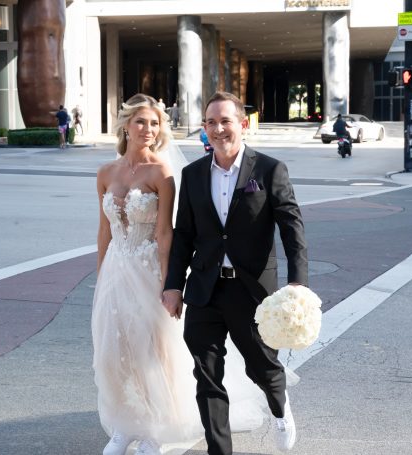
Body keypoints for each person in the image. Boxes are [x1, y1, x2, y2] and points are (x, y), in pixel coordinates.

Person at [93, 94, 281, 455]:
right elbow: (104, 231)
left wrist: (170, 284)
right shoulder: (105, 173)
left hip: (149, 268)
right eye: (141, 122)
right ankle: (122, 425)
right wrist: (101, 276)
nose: (149, 130)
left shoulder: (162, 174)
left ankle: (152, 430)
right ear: (126, 126)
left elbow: (167, 233)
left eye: (155, 123)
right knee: (114, 349)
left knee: (151, 350)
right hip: (116, 269)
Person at [162, 91, 309, 455]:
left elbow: (292, 229)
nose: (218, 129)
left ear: (243, 125)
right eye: (210, 122)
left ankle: (280, 408)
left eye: (225, 121)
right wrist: (172, 286)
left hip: (252, 292)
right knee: (207, 377)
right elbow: (183, 236)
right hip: (205, 290)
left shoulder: (270, 170)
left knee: (263, 368)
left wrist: (298, 285)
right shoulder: (193, 174)